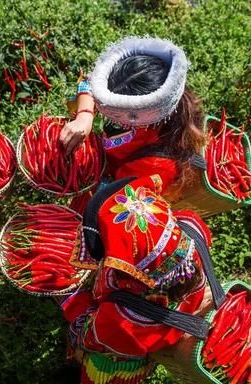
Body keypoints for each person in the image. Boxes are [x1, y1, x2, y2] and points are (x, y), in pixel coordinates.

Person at [63, 175, 214, 383]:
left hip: (122, 354)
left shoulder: (124, 317)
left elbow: (94, 337)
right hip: (176, 318)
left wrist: (71, 299)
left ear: (130, 273)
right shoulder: (191, 230)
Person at [61, 37, 206, 201]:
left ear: (137, 115)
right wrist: (85, 115)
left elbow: (116, 198)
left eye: (114, 112)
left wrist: (84, 174)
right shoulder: (137, 87)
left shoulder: (156, 165)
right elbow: (89, 82)